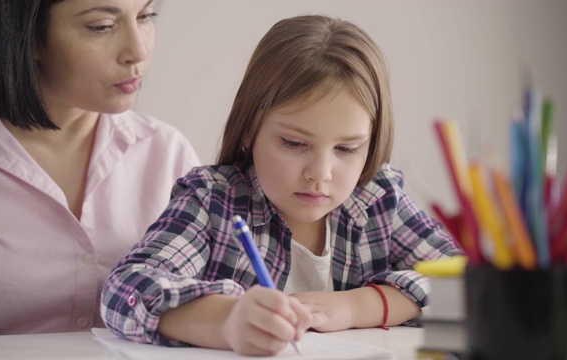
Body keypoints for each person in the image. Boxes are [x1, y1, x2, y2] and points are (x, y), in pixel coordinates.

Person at [101, 14, 463, 356]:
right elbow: (124, 290)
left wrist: (358, 307)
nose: (320, 173)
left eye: (347, 148)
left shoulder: (379, 199)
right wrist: (227, 320)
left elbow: (472, 285)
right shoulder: (214, 201)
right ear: (249, 128)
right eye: (294, 143)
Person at [0, 0, 200, 350]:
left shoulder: (168, 153)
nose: (137, 51)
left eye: (144, 16)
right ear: (29, 37)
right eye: (101, 26)